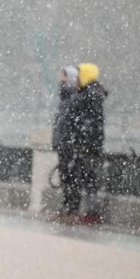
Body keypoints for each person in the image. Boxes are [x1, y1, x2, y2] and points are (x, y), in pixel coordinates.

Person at [69, 62, 107, 225]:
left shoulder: (90, 95)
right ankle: (90, 213)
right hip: (89, 144)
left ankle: (92, 214)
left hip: (89, 146)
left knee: (90, 180)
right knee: (88, 179)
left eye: (79, 75)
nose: (76, 79)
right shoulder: (91, 93)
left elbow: (90, 123)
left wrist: (84, 141)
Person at [51, 66, 79, 216]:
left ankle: (71, 209)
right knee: (65, 176)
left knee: (70, 177)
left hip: (68, 145)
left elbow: (71, 125)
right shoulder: (66, 99)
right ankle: (67, 207)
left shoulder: (72, 99)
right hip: (64, 145)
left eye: (64, 77)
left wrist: (68, 142)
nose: (61, 81)